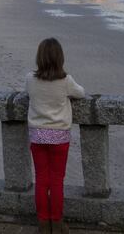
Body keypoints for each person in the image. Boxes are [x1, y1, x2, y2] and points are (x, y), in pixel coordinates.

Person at [25, 38, 85, 234]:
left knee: (42, 180)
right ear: (60, 58)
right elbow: (81, 93)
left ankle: (43, 224)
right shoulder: (66, 81)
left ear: (39, 58)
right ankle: (57, 224)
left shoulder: (30, 79)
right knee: (57, 180)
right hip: (59, 136)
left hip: (38, 136)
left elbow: (27, 93)